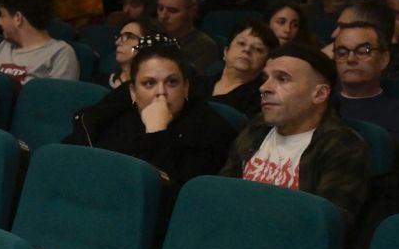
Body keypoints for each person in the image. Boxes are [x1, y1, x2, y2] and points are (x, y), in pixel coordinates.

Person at [68, 40, 237, 197]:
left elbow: (174, 197)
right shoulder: (118, 116)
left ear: (185, 88)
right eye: (149, 83)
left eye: (172, 82)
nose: (161, 92)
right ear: (133, 92)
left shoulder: (211, 130)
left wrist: (156, 133)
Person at [222, 46, 372, 220]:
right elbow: (222, 192)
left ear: (319, 94)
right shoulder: (257, 127)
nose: (264, 88)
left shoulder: (344, 147)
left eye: (282, 79)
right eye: (265, 78)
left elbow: (325, 226)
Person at [332, 18, 399, 172]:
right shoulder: (320, 103)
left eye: (363, 51)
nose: (351, 59)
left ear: (383, 59)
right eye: (342, 52)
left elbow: (397, 171)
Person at [0, 0, 81, 85]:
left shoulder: (60, 53)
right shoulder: (5, 46)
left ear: (18, 18)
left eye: (2, 15)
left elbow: (59, 98)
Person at [210, 21, 275, 120]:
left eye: (258, 49)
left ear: (266, 63)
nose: (247, 50)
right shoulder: (197, 84)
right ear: (226, 51)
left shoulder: (261, 99)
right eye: (241, 43)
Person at [107, 19, 149, 89]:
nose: (117, 42)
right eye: (120, 36)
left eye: (129, 37)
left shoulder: (152, 88)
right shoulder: (101, 82)